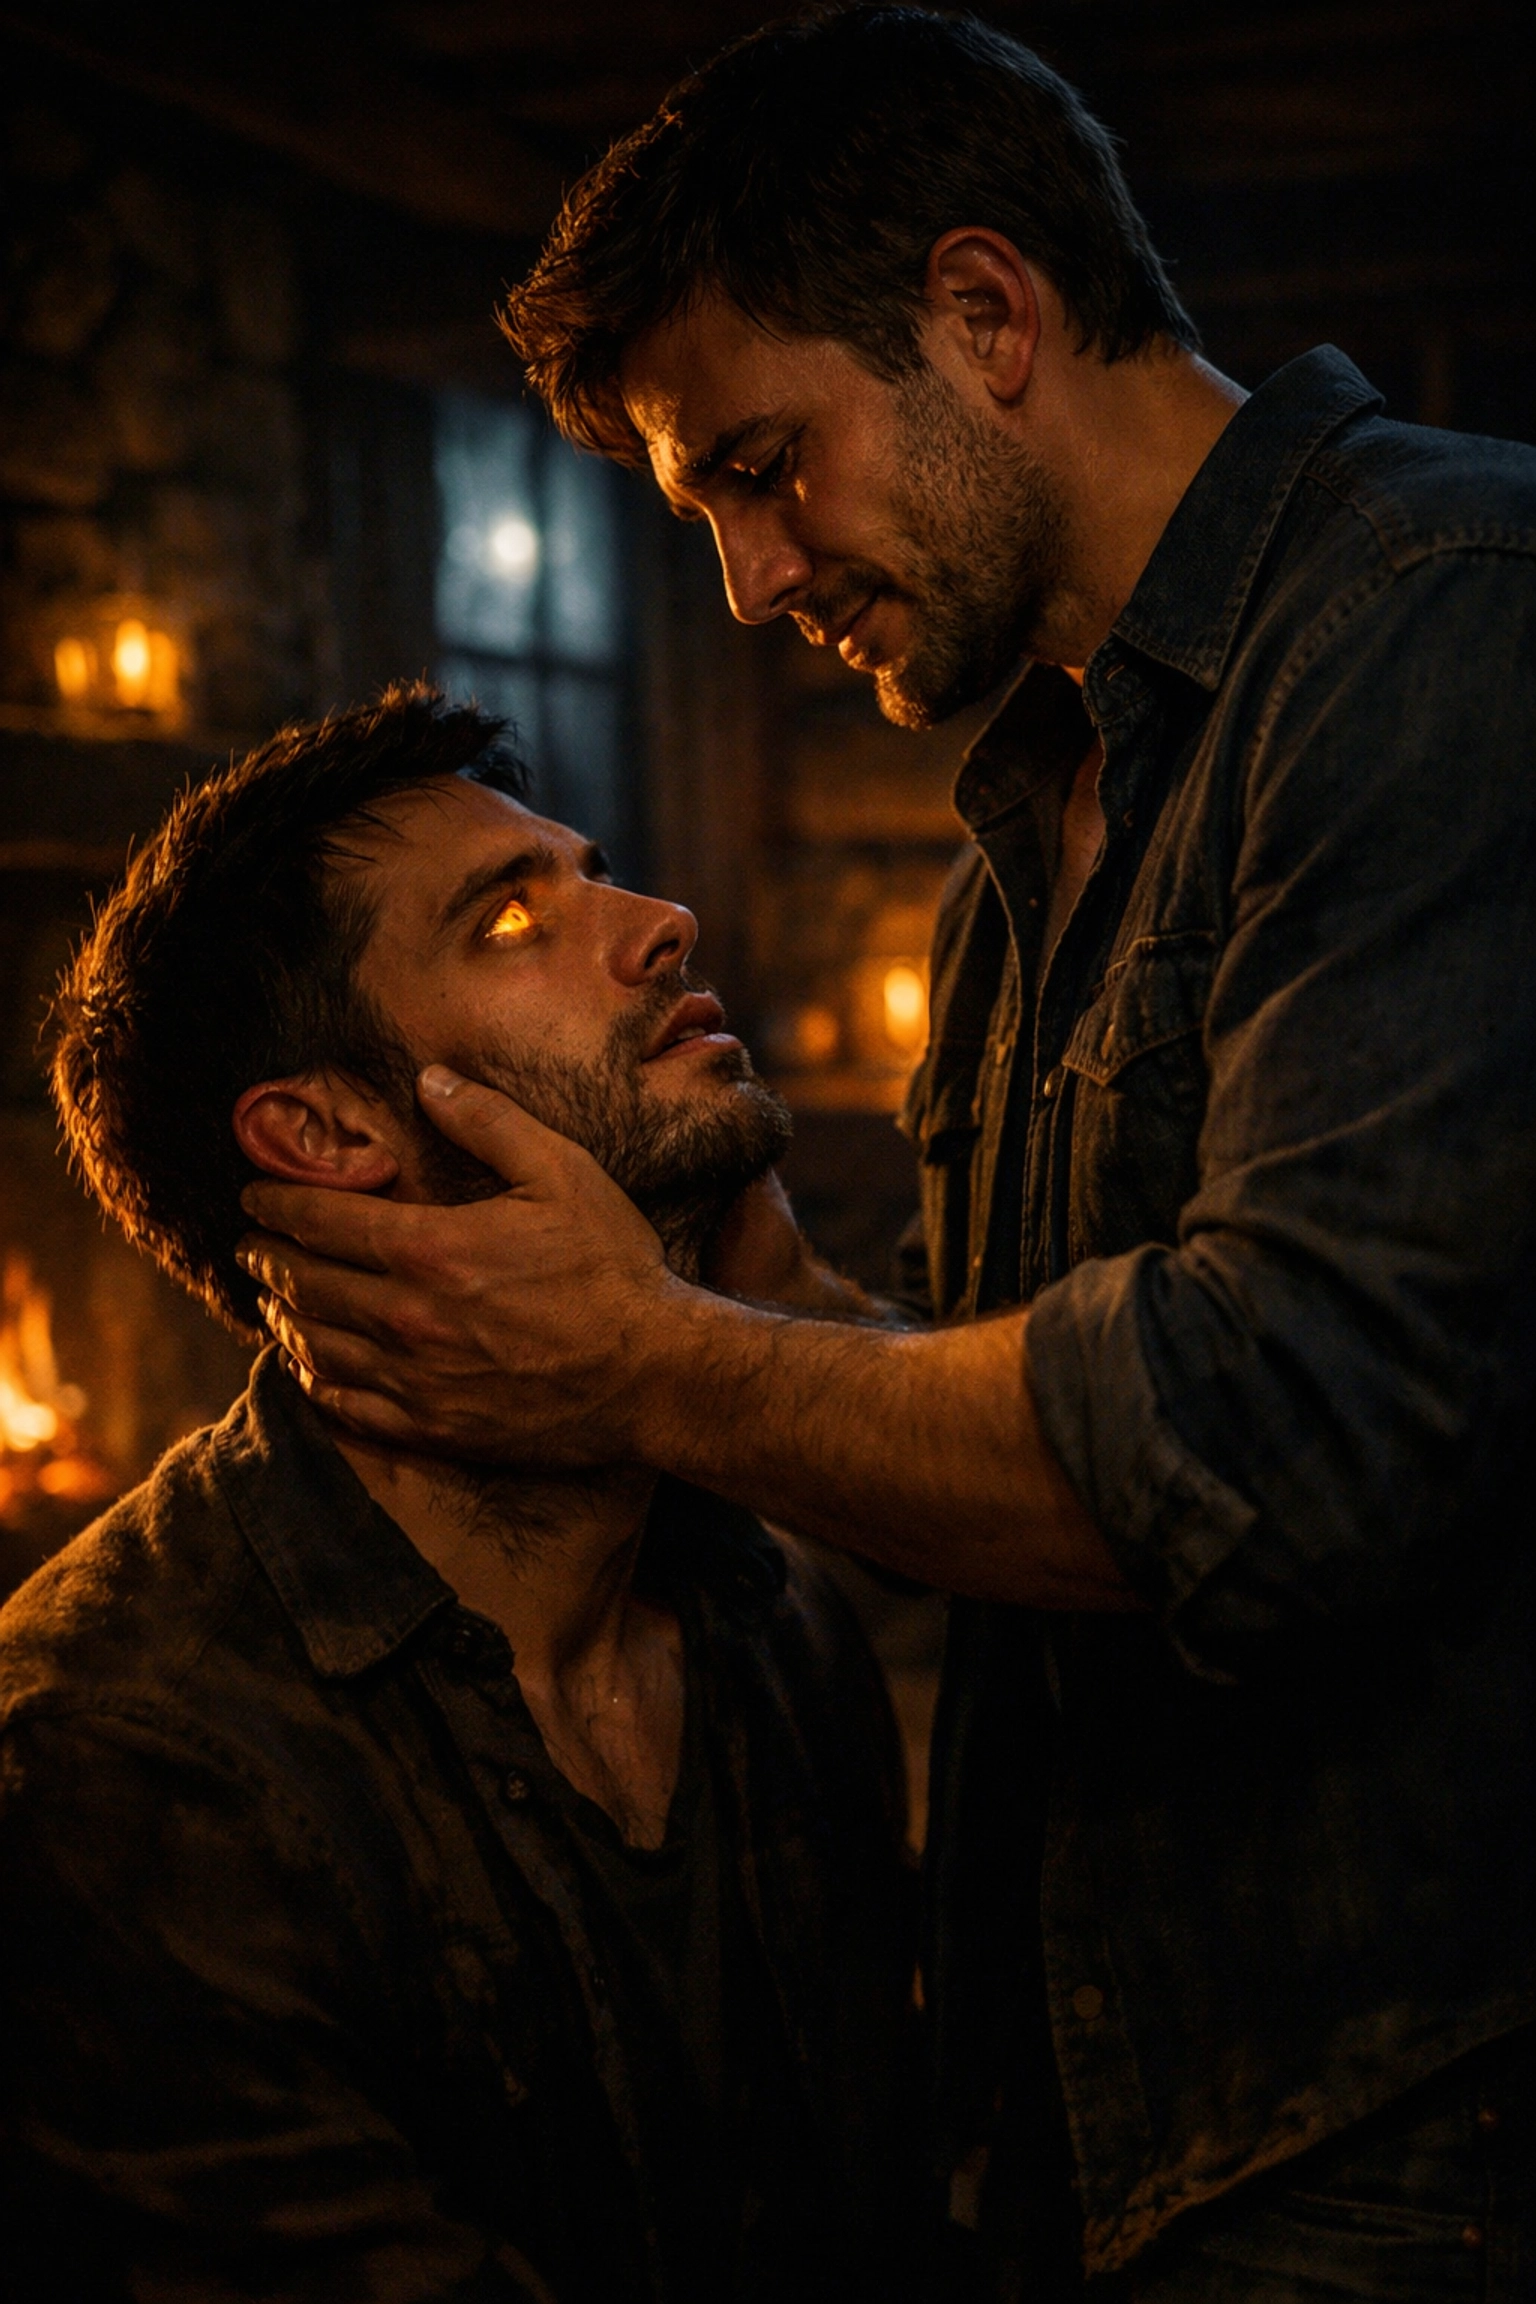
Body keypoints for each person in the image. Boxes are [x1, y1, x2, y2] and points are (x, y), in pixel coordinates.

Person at [236, 10, 1536, 2302]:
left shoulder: (1447, 618)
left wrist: (652, 1364)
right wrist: (755, 1298)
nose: (749, 583)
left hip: (1422, 2144)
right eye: (706, 515)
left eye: (765, 468)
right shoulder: (1019, 844)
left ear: (985, 314)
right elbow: (1007, 1419)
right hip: (1119, 2134)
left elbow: (1280, 1439)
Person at [0, 685, 920, 2304]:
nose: (662, 924)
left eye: (596, 873)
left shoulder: (771, 1617)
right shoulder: (121, 1765)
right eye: (510, 920)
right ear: (328, 1132)